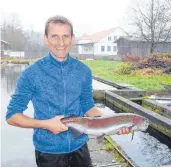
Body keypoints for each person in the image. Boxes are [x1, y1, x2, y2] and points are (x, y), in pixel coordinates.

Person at [6, 15, 130, 167]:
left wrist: (110, 124)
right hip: (48, 151)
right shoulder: (31, 74)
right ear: (45, 39)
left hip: (80, 146)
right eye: (55, 36)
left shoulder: (84, 71)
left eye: (66, 36)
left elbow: (87, 105)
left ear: (72, 38)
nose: (61, 43)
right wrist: (46, 124)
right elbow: (12, 116)